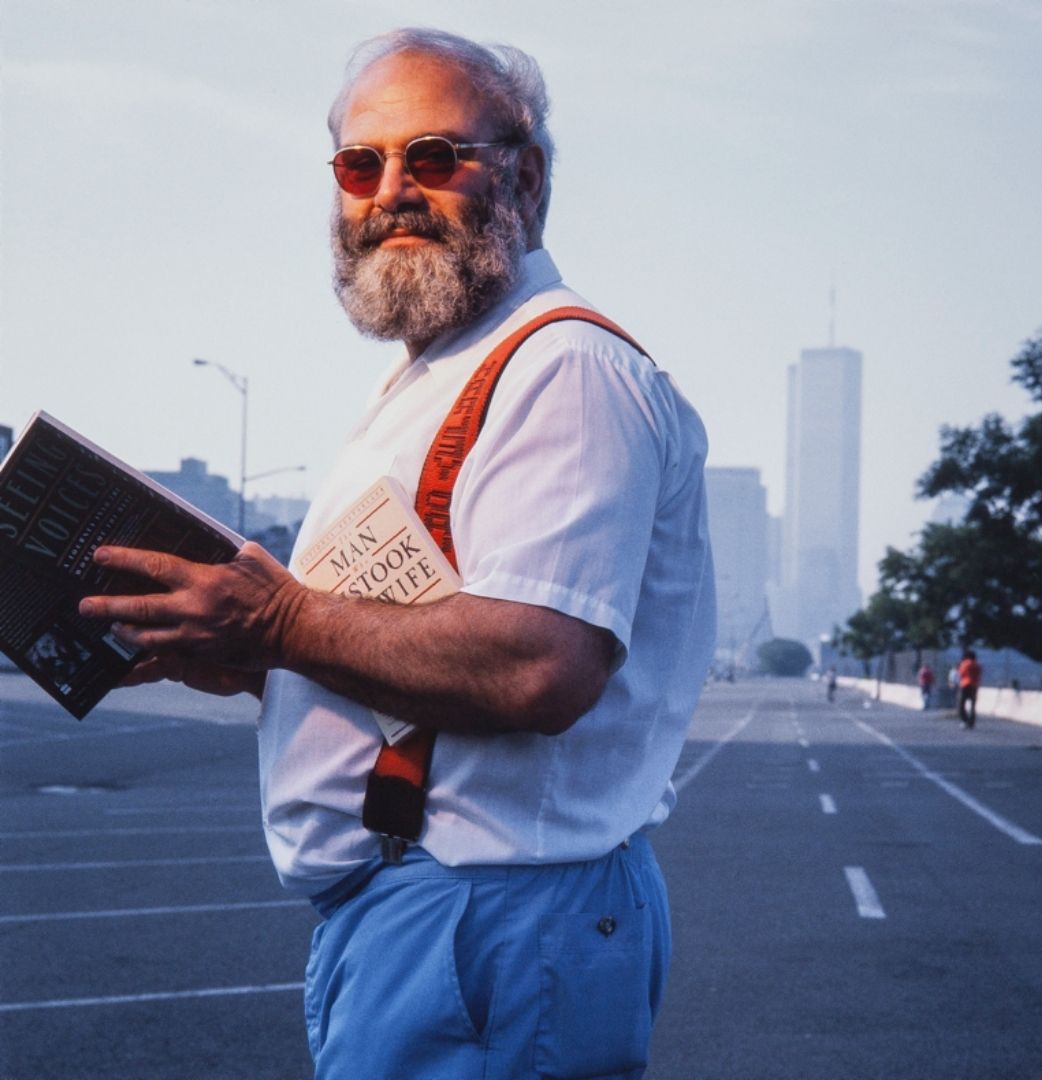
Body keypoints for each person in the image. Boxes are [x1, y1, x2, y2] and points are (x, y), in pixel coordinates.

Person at [79, 28, 715, 1080]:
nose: (390, 192)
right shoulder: (443, 374)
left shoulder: (564, 368)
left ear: (525, 172)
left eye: (432, 157)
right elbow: (415, 635)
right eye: (358, 165)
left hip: (493, 921)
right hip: (434, 923)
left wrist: (280, 621)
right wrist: (255, 660)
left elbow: (536, 665)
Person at [957, 649, 983, 728]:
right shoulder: (977, 665)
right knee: (973, 705)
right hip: (974, 686)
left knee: (961, 704)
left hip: (965, 685)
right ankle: (971, 722)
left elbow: (961, 674)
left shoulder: (964, 664)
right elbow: (979, 675)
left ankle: (964, 720)